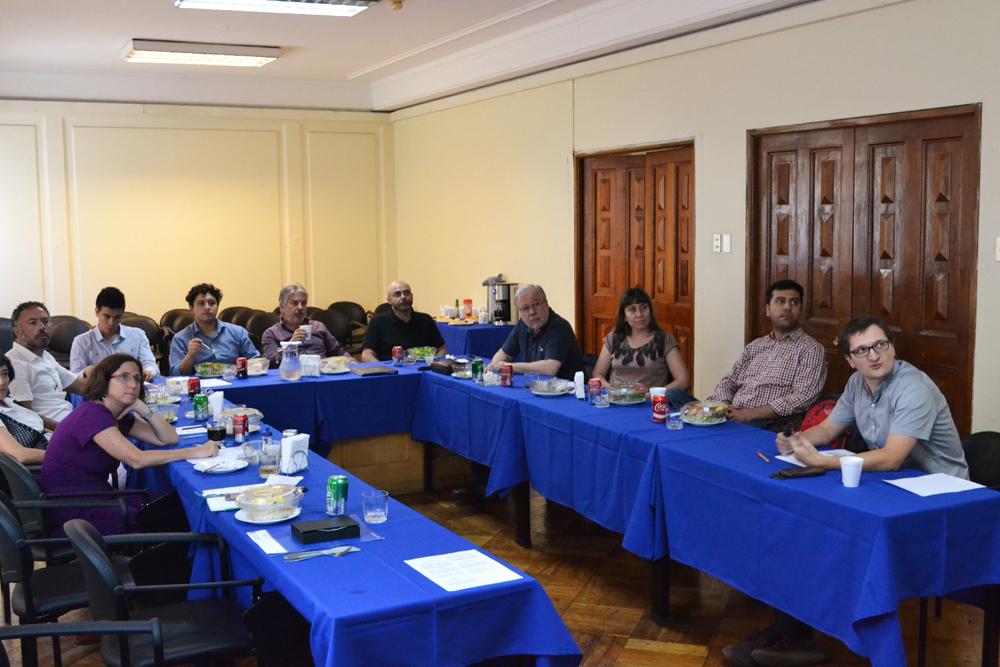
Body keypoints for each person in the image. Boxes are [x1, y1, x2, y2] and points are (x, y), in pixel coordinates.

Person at [723, 316, 969, 667]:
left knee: (836, 536)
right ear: (850, 360)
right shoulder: (857, 383)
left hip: (942, 497)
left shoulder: (913, 386)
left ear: (892, 346)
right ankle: (794, 635)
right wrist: (796, 442)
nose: (874, 355)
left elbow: (892, 458)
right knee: (811, 525)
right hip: (894, 489)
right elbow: (828, 428)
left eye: (881, 345)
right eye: (863, 350)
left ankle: (808, 636)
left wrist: (824, 463)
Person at [40, 354, 218, 535]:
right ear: (104, 380)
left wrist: (143, 409)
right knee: (180, 511)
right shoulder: (92, 414)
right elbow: (137, 459)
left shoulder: (117, 415)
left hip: (100, 498)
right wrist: (196, 452)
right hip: (76, 512)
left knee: (179, 502)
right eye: (124, 377)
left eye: (137, 379)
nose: (133, 385)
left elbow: (169, 438)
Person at [707, 279, 826, 431]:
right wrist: (724, 405)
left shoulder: (811, 349)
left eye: (794, 302)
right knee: (675, 397)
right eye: (780, 301)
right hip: (731, 413)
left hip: (768, 422)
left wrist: (748, 414)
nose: (788, 307)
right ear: (768, 310)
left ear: (800, 310)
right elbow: (729, 381)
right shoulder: (755, 346)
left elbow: (803, 398)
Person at [591, 288, 690, 403]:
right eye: (632, 310)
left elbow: (683, 381)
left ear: (650, 311)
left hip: (649, 404)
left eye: (644, 307)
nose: (639, 314)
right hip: (616, 402)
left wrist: (650, 395)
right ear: (624, 317)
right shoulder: (614, 338)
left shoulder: (664, 340)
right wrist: (613, 390)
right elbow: (597, 374)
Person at [6, 301, 90, 430]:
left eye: (45, 321)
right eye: (33, 323)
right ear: (17, 331)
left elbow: (81, 386)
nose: (42, 327)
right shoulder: (14, 364)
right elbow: (26, 418)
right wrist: (69, 430)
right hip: (53, 434)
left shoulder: (45, 356)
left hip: (72, 421)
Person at [488, 284, 584, 381]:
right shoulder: (522, 325)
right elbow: (502, 354)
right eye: (525, 308)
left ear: (546, 304)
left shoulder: (560, 327)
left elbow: (550, 368)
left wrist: (510, 367)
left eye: (536, 304)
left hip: (567, 391)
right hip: (535, 387)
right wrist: (496, 364)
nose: (532, 312)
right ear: (519, 312)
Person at [70, 286, 159, 381]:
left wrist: (149, 371)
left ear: (123, 314)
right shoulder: (81, 341)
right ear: (97, 312)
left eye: (117, 317)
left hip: (131, 388)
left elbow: (151, 366)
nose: (111, 322)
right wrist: (87, 373)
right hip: (97, 392)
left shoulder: (137, 335)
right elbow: (74, 378)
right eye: (107, 316)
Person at [169, 283, 259, 375]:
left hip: (234, 381)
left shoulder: (238, 332)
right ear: (191, 308)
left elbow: (255, 361)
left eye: (212, 303)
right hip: (200, 386)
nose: (207, 307)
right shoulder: (180, 338)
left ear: (217, 306)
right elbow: (176, 373)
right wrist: (190, 355)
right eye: (201, 303)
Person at [261, 284, 351, 365]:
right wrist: (291, 345)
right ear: (282, 307)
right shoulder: (271, 334)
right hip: (291, 376)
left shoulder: (318, 327)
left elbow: (337, 351)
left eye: (303, 303)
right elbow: (270, 362)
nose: (300, 308)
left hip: (320, 375)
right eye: (295, 303)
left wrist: (350, 359)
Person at [361, 281, 446, 362]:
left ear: (412, 296)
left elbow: (442, 349)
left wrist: (435, 363)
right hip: (391, 370)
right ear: (389, 300)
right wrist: (381, 370)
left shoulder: (426, 319)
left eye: (406, 293)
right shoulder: (378, 321)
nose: (403, 297)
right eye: (397, 294)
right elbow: (366, 354)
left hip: (423, 370)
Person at [0, 353, 48, 464]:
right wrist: (64, 454)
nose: (2, 382)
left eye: (5, 374)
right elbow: (19, 455)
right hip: (41, 471)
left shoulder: (12, 403)